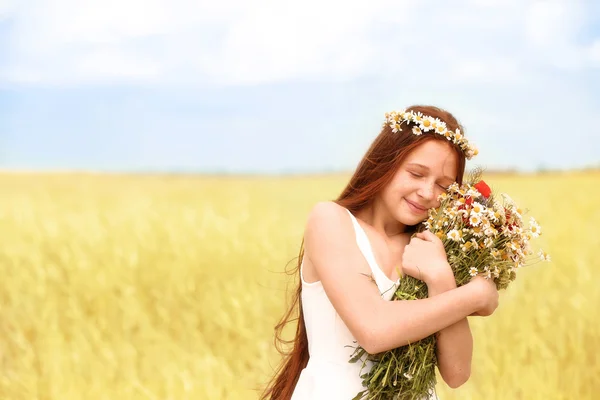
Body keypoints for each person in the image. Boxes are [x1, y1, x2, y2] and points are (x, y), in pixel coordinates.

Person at [260, 105, 500, 400]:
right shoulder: (331, 221)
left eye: (443, 185)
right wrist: (475, 296)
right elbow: (374, 330)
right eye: (416, 173)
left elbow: (457, 373)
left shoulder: (431, 249)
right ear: (385, 163)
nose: (427, 193)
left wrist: (439, 277)